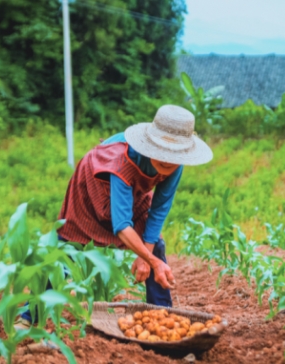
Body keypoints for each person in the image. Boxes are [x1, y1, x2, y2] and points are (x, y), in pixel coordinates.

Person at [15, 105, 213, 329]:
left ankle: (161, 315)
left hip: (133, 190)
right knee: (66, 248)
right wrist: (153, 262)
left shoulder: (175, 165)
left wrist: (147, 257)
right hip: (92, 187)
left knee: (154, 243)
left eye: (173, 156)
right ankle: (29, 317)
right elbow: (122, 225)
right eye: (162, 152)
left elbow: (158, 210)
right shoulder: (121, 160)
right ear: (151, 143)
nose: (167, 162)